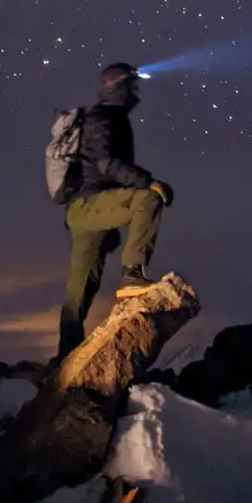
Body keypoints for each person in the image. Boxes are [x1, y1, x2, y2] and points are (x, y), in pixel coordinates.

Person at [56, 62, 174, 360]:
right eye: (132, 86)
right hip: (91, 205)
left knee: (78, 292)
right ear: (119, 86)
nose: (136, 93)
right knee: (148, 200)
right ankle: (132, 275)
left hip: (83, 212)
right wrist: (148, 182)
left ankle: (65, 358)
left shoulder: (105, 117)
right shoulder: (105, 117)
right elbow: (106, 164)